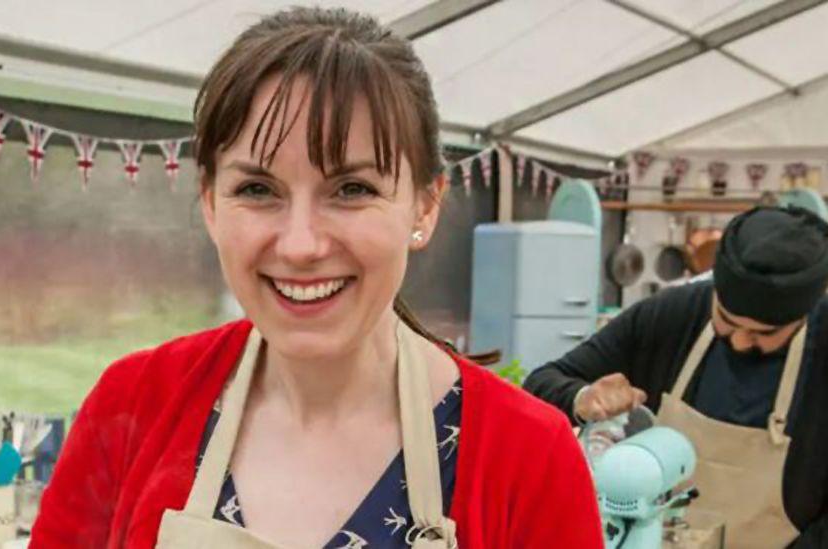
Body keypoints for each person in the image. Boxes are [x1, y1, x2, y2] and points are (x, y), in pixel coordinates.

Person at [30, 7, 601, 549]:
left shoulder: (529, 457)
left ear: (425, 207)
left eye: (352, 190)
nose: (301, 245)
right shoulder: (132, 407)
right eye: (257, 190)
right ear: (209, 203)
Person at [524, 206, 828, 549]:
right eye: (726, 320)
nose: (741, 342)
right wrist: (582, 398)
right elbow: (542, 382)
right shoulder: (672, 315)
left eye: (764, 334)